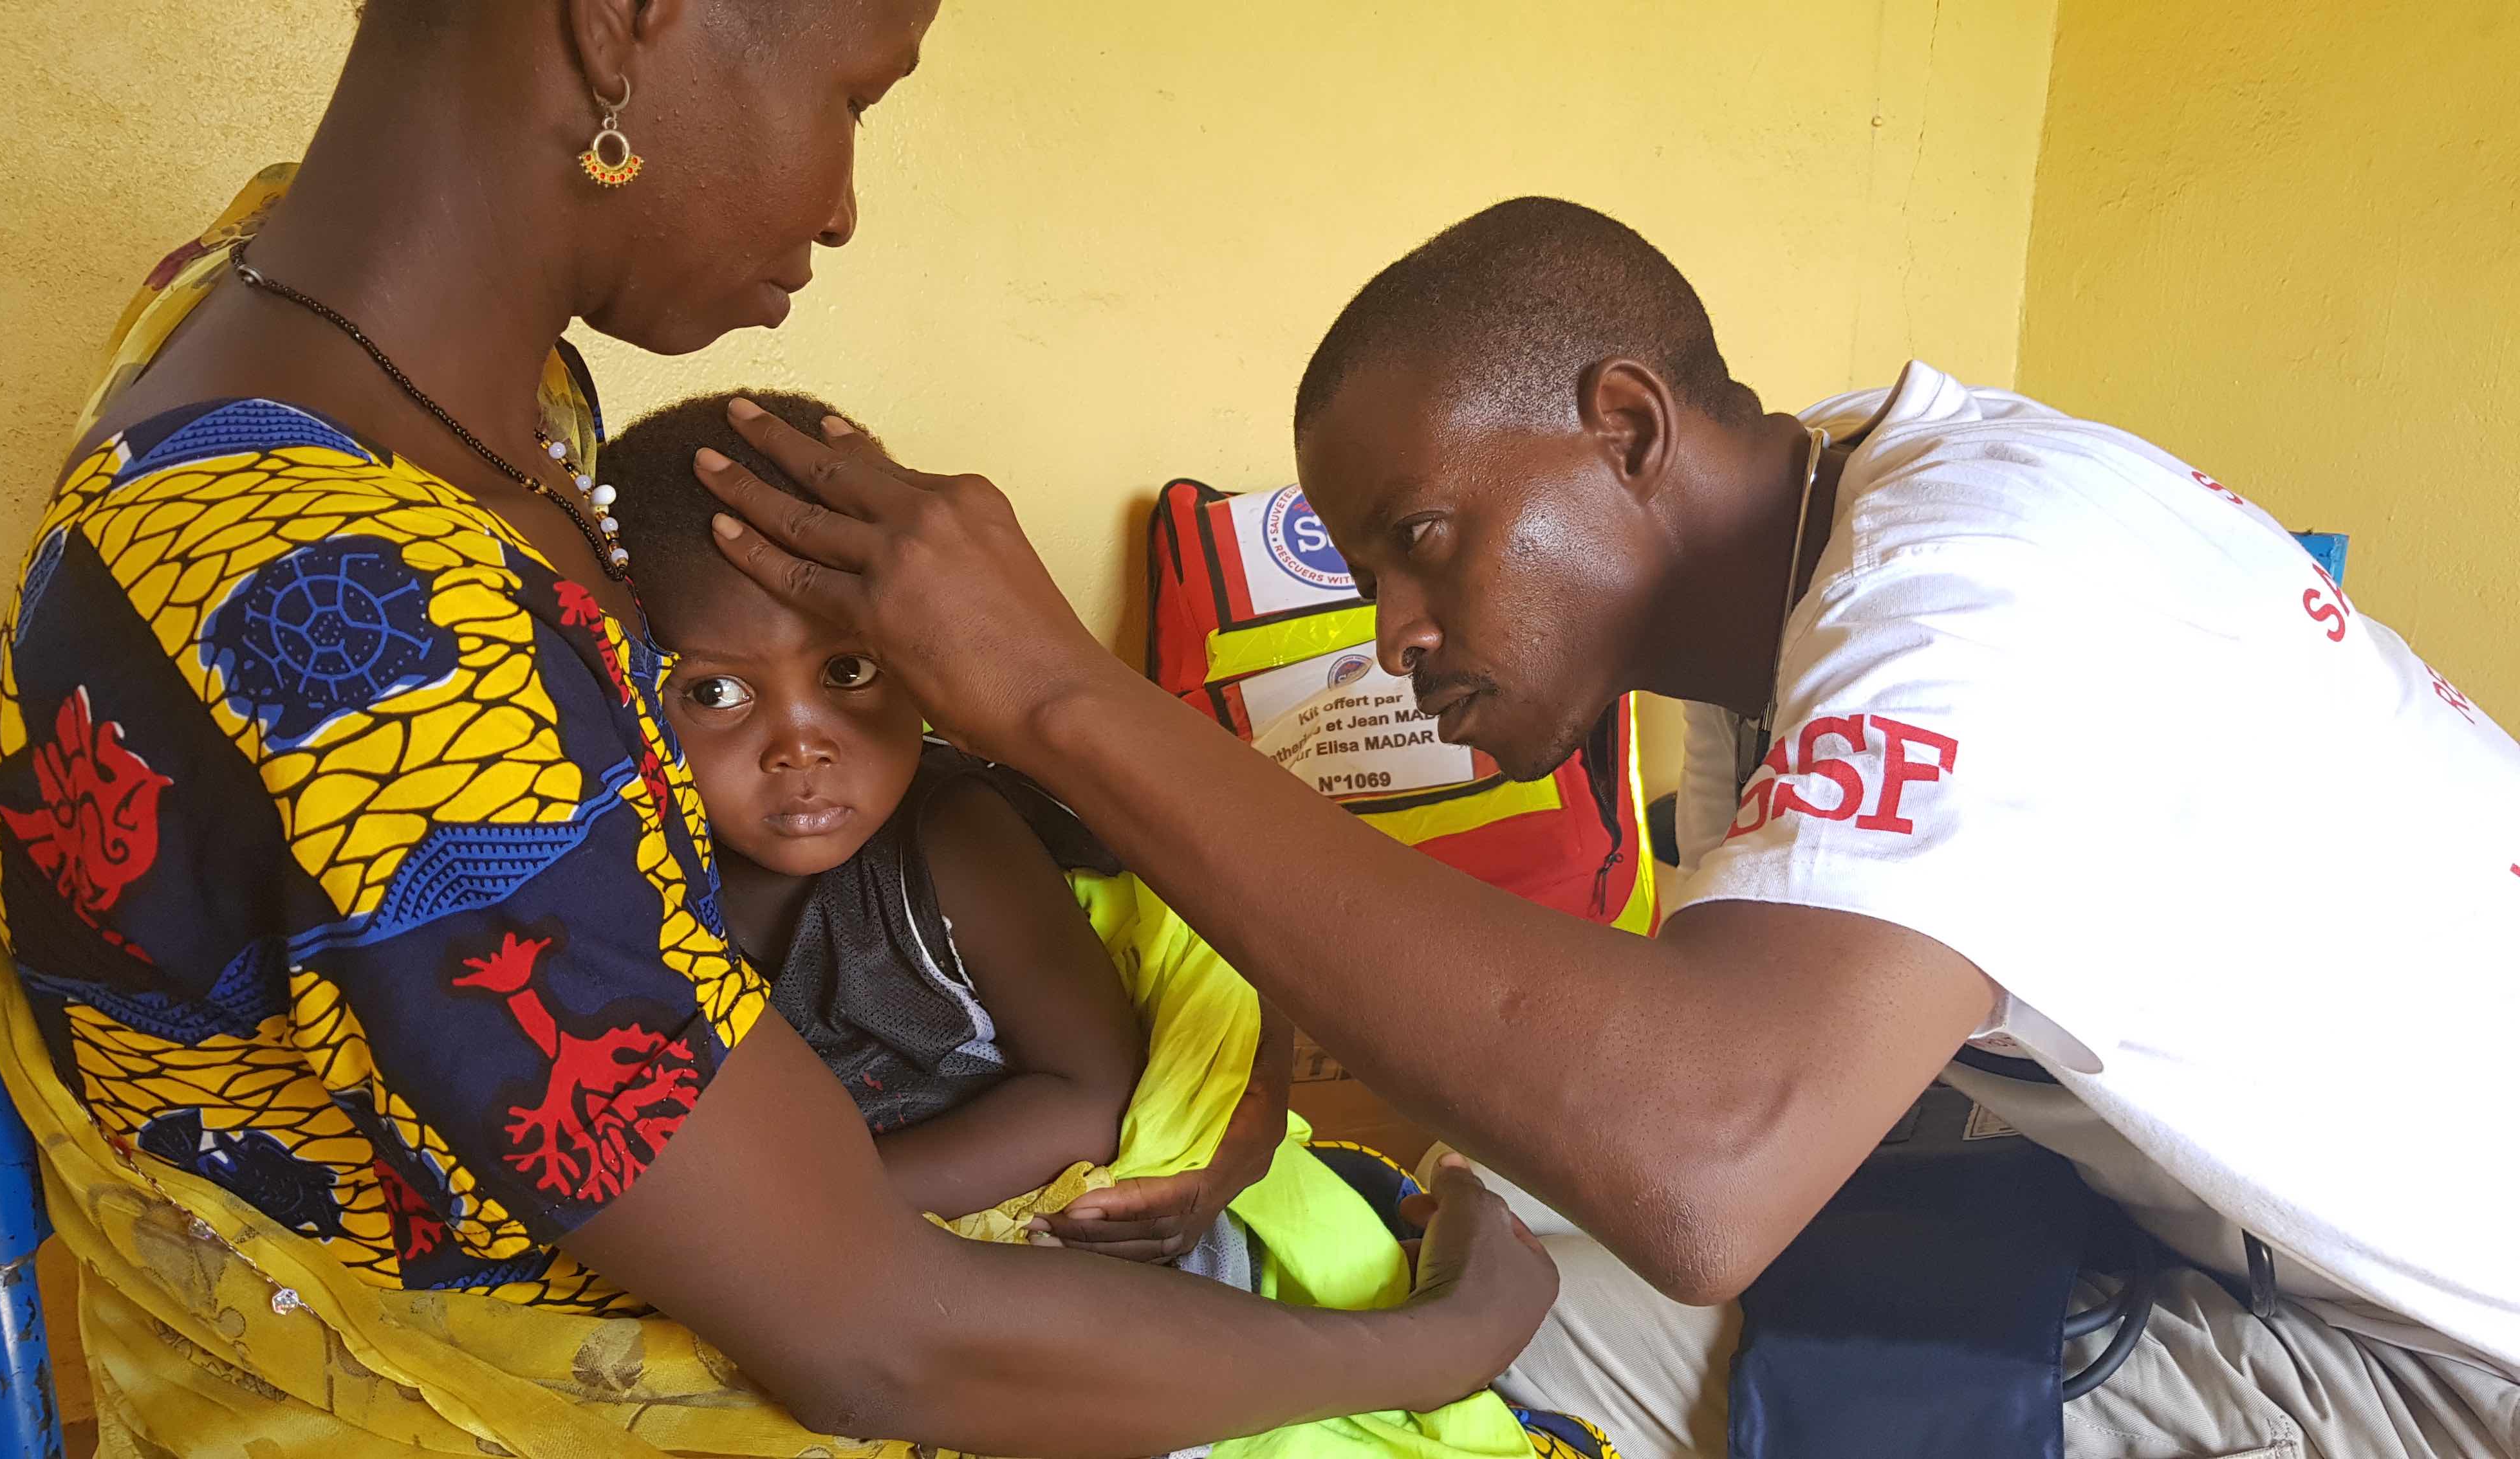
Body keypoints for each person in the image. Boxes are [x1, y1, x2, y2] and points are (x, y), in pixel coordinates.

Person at [0, 4, 1555, 1454]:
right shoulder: (365, 631)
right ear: (620, 27)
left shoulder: (366, 364)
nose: (845, 202)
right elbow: (883, 1346)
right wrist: (1434, 1346)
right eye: (855, 92)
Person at [694, 195, 2520, 1458]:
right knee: (1420, 1277)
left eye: (1420, 537)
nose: (1398, 636)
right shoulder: (1843, 555)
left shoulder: (1970, 598)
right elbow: (1737, 1046)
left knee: (1399, 1391)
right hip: (2242, 1247)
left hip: (2455, 1366)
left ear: (1626, 429)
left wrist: (1063, 703)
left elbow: (1709, 1158)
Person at [596, 388, 1621, 1459]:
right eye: (712, 694)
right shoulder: (620, 882)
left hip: (1104, 1269)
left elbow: (1090, 1094)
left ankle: (1452, 1267)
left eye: (849, 673)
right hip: (864, 1287)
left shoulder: (949, 843)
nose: (801, 747)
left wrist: (828, 1210)